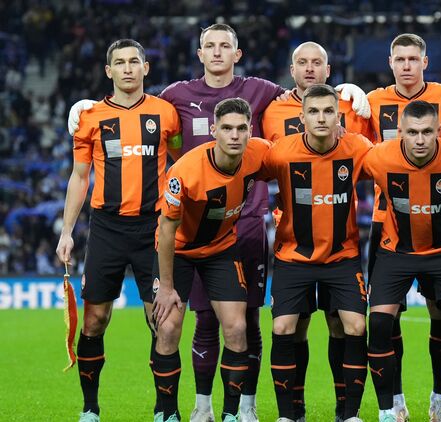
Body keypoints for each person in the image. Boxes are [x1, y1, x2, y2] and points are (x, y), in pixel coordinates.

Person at [67, 24, 371, 422]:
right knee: (198, 319)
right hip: (186, 227)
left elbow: (306, 96)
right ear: (199, 53)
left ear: (237, 53)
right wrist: (89, 105)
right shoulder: (175, 99)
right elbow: (136, 106)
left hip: (245, 223)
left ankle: (244, 407)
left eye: (224, 45)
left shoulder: (261, 92)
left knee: (246, 320)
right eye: (209, 45)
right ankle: (198, 405)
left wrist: (348, 91)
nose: (216, 52)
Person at [55, 39, 182, 422]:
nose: (128, 68)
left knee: (163, 321)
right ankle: (90, 409)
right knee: (95, 320)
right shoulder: (90, 117)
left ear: (145, 68)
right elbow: (80, 177)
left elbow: (182, 162)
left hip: (154, 229)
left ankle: (166, 411)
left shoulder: (166, 113)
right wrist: (66, 231)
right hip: (106, 229)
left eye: (134, 62)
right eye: (120, 63)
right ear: (109, 71)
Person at [261, 41, 372, 422]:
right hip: (294, 254)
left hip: (342, 254)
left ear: (339, 116)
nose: (322, 118)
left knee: (352, 325)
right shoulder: (279, 150)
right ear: (302, 117)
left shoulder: (358, 146)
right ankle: (290, 412)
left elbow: (395, 157)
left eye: (328, 111)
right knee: (286, 327)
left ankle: (348, 412)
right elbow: (242, 163)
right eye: (314, 112)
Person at [152, 98, 270, 422]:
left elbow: (293, 156)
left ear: (250, 131)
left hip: (220, 248)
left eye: (241, 128)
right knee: (168, 328)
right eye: (227, 128)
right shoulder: (184, 172)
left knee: (237, 327)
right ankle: (167, 413)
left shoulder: (259, 153)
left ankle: (230, 414)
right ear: (213, 130)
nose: (234, 135)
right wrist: (166, 288)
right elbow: (166, 229)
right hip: (178, 251)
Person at [364, 100, 441, 422]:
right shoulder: (378, 157)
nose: (419, 140)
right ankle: (387, 411)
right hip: (396, 253)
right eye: (412, 132)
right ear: (399, 132)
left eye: (427, 132)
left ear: (438, 131)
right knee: (378, 324)